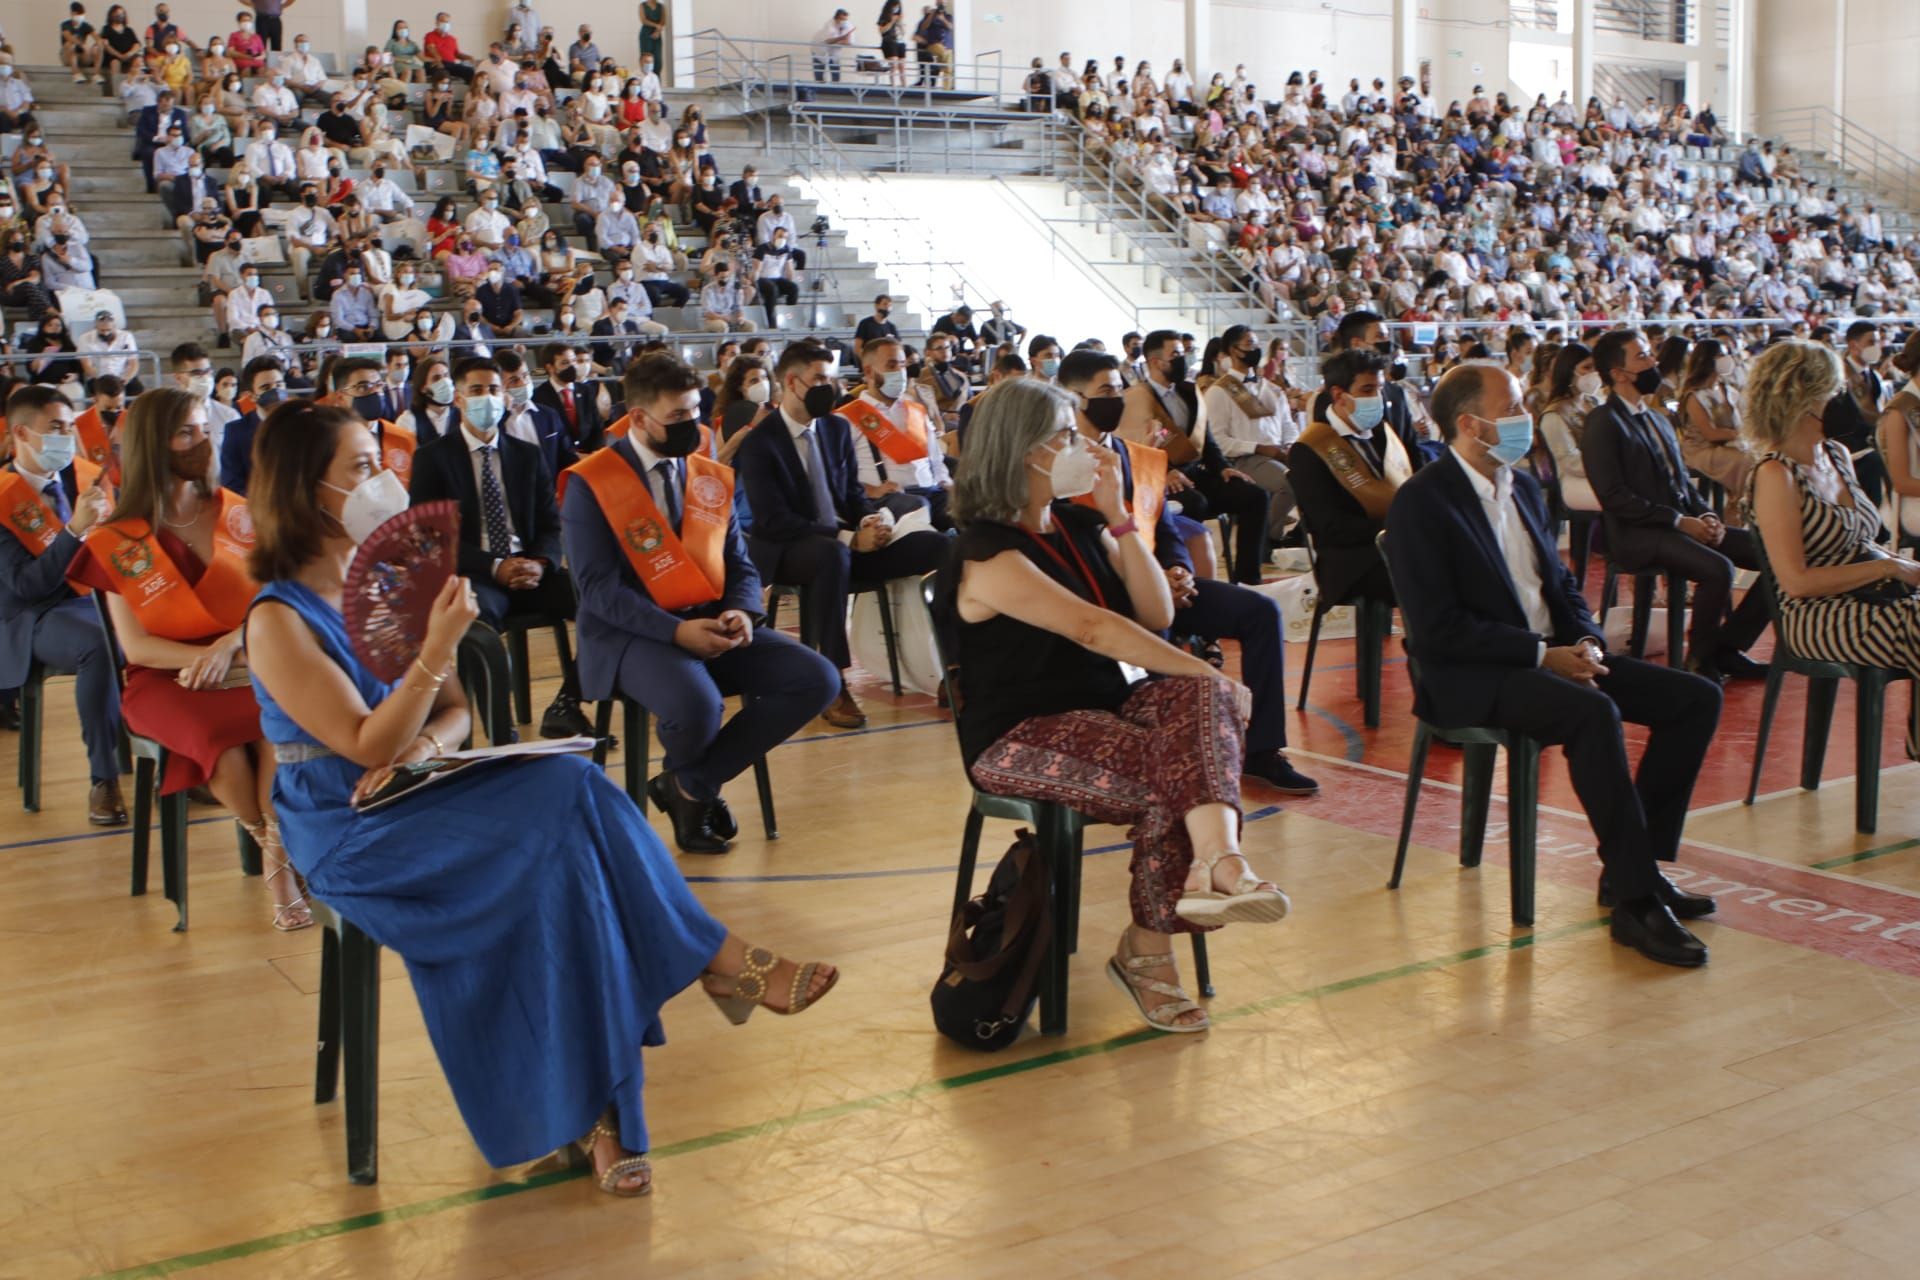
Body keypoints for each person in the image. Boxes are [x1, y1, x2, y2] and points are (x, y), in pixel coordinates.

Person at [243, 399, 837, 1200]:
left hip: (418, 789)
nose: (382, 481)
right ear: (306, 492)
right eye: (360, 468)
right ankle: (715, 969)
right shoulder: (278, 617)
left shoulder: (387, 579)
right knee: (565, 804)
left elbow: (452, 716)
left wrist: (423, 748)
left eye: (379, 462)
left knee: (567, 844)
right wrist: (437, 653)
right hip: (347, 826)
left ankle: (606, 1109)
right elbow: (362, 747)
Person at [935, 377, 1286, 1034]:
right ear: (1025, 451)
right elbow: (1093, 629)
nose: (1084, 447)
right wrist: (1211, 678)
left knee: (1192, 698)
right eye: (1067, 437)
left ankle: (1217, 864)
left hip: (1108, 710)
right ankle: (1152, 947)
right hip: (1020, 733)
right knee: (1175, 767)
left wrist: (1119, 515)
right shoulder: (986, 551)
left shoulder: (1076, 523)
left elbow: (1154, 614)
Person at [1384, 364, 1722, 969]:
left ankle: (1633, 866)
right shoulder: (1422, 503)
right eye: (1511, 405)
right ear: (1470, 423)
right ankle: (1636, 904)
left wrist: (1588, 641)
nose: (1524, 414)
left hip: (1551, 655)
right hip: (1471, 673)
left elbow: (1562, 585)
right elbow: (1439, 628)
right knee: (1593, 714)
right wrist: (1542, 656)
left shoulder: (1522, 489)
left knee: (1695, 699)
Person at [562, 355, 838, 852]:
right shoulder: (591, 481)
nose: (691, 425)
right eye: (677, 418)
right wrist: (675, 633)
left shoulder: (705, 475)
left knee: (817, 678)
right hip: (631, 634)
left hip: (709, 618)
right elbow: (598, 590)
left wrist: (742, 610)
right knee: (697, 705)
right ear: (640, 418)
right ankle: (694, 793)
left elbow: (740, 561)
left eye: (694, 412)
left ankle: (690, 784)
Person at [63, 387, 306, 927]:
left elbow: (278, 601)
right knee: (219, 741)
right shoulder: (116, 540)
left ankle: (278, 853)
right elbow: (138, 647)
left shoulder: (240, 513)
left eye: (205, 430)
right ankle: (276, 852)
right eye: (187, 433)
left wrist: (228, 646)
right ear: (155, 445)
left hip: (247, 656)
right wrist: (205, 660)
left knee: (278, 721)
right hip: (162, 676)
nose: (204, 443)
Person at [1059, 349, 1316, 795]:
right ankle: (1168, 759)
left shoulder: (1135, 456)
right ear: (1073, 398)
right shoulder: (1060, 465)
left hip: (1163, 583)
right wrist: (1147, 587)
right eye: (1105, 392)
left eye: (1119, 390)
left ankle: (1261, 750)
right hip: (1106, 597)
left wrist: (1177, 569)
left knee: (1258, 612)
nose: (1116, 399)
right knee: (1154, 634)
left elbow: (1164, 523)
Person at [734, 340, 950, 729]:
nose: (828, 387)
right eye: (819, 378)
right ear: (792, 382)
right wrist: (847, 538)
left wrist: (869, 521)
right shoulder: (759, 443)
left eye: (831, 379)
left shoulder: (835, 428)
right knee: (830, 555)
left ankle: (954, 664)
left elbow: (851, 493)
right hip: (790, 551)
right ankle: (832, 680)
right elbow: (773, 520)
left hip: (845, 544)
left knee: (939, 545)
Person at [1748, 339, 1920, 760]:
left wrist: (1898, 564)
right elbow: (1798, 581)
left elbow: (1865, 541)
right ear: (1805, 398)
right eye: (1834, 391)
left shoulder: (1837, 455)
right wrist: (1889, 570)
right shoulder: (1776, 474)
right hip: (1816, 615)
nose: (1843, 400)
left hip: (1869, 598)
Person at [407, 357, 593, 738]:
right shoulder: (432, 458)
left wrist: (540, 561)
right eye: (476, 390)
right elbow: (430, 538)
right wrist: (495, 566)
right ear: (458, 398)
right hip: (475, 574)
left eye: (494, 389)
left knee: (600, 602)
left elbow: (549, 522)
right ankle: (499, 730)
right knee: (479, 625)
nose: (487, 397)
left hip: (531, 570)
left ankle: (567, 702)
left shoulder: (527, 455)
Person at [1581, 329, 1770, 682]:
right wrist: (1679, 521)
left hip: (1680, 523)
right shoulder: (1603, 422)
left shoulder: (1657, 418)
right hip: (1637, 532)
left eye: (1650, 354)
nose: (1653, 362)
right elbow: (1614, 496)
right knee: (1718, 570)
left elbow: (1682, 481)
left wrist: (1707, 515)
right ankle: (1699, 660)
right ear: (1618, 374)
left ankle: (1727, 648)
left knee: (1771, 555)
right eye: (1641, 357)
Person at [0, 385, 126, 826]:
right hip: (35, 616)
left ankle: (180, 759)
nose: (66, 437)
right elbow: (25, 586)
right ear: (21, 433)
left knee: (163, 626)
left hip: (98, 598)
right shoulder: (2, 495)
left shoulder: (86, 477)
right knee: (98, 643)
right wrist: (73, 530)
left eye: (70, 427)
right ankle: (103, 778)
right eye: (55, 428)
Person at [1119, 330, 1271, 585]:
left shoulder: (1189, 391)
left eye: (1184, 353)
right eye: (1176, 354)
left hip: (1195, 472)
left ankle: (1248, 579)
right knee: (1194, 503)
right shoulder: (1137, 398)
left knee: (1254, 495)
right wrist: (1163, 471)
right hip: (1158, 479)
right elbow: (1131, 446)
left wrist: (1222, 468)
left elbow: (1206, 438)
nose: (1183, 359)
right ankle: (1187, 579)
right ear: (1156, 362)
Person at [1287, 348, 1407, 610]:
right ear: (1339, 395)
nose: (1377, 398)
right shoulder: (1311, 448)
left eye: (1379, 388)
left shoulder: (1380, 434)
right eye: (1367, 390)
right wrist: (1400, 527)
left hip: (1394, 546)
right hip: (1350, 563)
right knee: (1434, 572)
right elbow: (1332, 528)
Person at [1200, 326, 1296, 548]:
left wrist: (1291, 445)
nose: (1255, 349)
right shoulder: (1219, 391)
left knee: (1310, 479)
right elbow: (1218, 441)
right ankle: (1267, 538)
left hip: (1277, 454)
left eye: (1256, 344)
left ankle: (1286, 535)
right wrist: (1259, 448)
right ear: (1233, 350)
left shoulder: (1272, 389)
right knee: (1291, 482)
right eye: (1249, 344)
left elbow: (1288, 424)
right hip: (1244, 460)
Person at [842, 337, 953, 528]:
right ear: (869, 371)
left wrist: (946, 482)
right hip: (886, 499)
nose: (900, 372)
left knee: (970, 507)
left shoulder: (916, 409)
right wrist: (870, 490)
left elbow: (936, 459)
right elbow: (838, 476)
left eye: (902, 365)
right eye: (891, 365)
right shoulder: (847, 417)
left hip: (931, 490)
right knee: (918, 508)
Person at [1677, 338, 1755, 517]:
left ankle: (1739, 507)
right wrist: (1738, 434)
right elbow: (1710, 434)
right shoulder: (1694, 395)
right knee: (1746, 461)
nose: (1727, 359)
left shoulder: (1728, 389)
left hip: (1728, 443)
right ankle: (1738, 507)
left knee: (1759, 456)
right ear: (1707, 360)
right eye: (1721, 355)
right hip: (1701, 449)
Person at [1823, 319, 1891, 508]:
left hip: (1872, 440)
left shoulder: (1874, 376)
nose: (1877, 347)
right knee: (1875, 463)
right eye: (1871, 342)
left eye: (1878, 342)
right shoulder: (1836, 375)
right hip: (1846, 443)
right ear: (1854, 345)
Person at [217, 357, 287, 495]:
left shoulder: (302, 425)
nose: (276, 392)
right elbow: (232, 484)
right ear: (251, 395)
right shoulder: (236, 432)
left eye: (279, 385)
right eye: (266, 388)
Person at [533, 343, 606, 451]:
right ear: (550, 367)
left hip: (589, 455)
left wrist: (595, 453)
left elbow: (597, 426)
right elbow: (547, 437)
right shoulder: (539, 396)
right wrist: (574, 457)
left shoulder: (585, 390)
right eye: (565, 363)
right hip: (561, 460)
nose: (572, 366)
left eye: (573, 361)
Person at [812, 8, 855, 83]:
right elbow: (828, 41)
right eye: (842, 19)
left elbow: (849, 42)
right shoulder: (829, 25)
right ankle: (819, 86)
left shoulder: (848, 25)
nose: (844, 21)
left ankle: (836, 87)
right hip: (819, 48)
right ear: (836, 18)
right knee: (819, 69)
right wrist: (841, 38)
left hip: (834, 50)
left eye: (845, 19)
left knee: (835, 70)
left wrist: (838, 40)